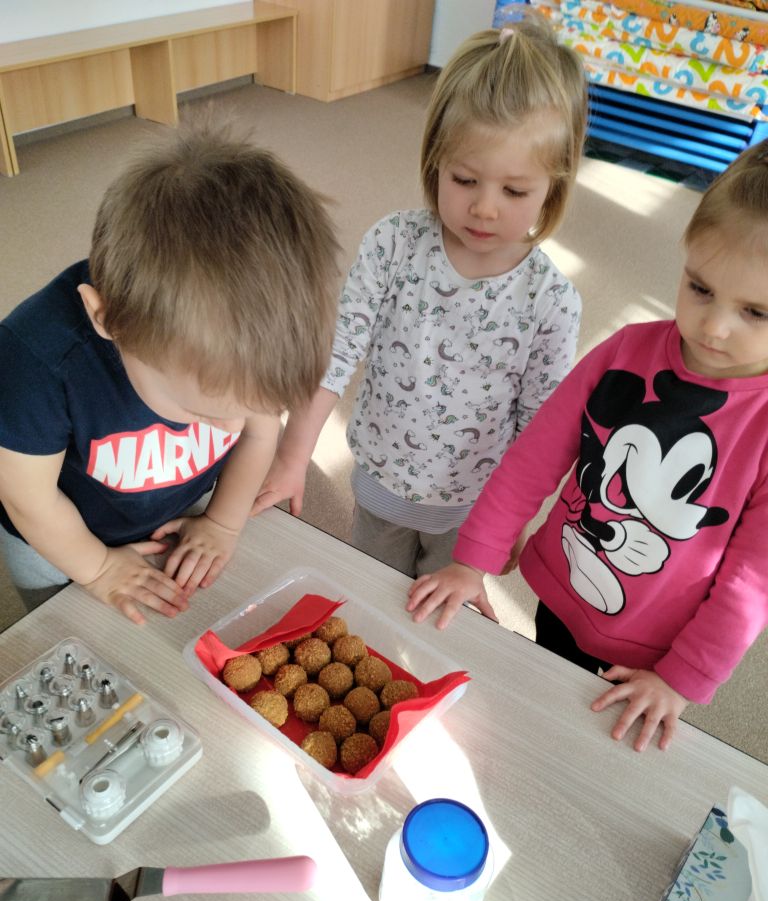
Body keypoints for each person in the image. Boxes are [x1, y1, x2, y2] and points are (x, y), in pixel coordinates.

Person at [408, 139, 768, 753]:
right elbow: (533, 460)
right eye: (700, 288)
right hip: (562, 590)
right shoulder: (626, 349)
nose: (714, 326)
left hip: (654, 650)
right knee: (536, 712)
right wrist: (474, 560)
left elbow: (749, 583)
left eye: (756, 312)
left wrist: (682, 679)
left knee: (592, 749)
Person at [252, 16, 588, 588]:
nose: (484, 208)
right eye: (464, 180)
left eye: (514, 191)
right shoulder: (393, 244)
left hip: (474, 514)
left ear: (553, 187)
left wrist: (513, 520)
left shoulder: (552, 302)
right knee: (369, 601)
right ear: (435, 161)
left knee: (436, 625)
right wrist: (291, 457)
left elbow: (540, 432)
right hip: (381, 485)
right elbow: (336, 355)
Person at [0, 123, 339, 624]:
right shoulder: (34, 362)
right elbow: (28, 499)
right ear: (108, 320)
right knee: (64, 630)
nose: (232, 428)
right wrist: (97, 569)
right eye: (201, 411)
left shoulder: (245, 360)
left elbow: (258, 435)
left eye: (249, 408)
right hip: (58, 539)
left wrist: (222, 523)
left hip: (174, 505)